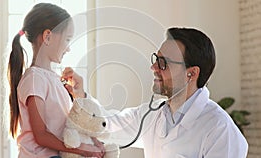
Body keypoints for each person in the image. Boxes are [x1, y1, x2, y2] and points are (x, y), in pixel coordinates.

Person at [62, 27, 249, 158]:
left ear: (191, 73)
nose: (153, 67)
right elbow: (108, 125)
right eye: (156, 59)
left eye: (163, 63)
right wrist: (81, 96)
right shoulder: (154, 115)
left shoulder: (220, 130)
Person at [7, 3, 105, 158]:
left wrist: (93, 142)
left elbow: (68, 126)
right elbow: (41, 136)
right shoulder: (34, 79)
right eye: (67, 40)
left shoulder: (53, 78)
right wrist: (81, 149)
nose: (68, 48)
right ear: (47, 37)